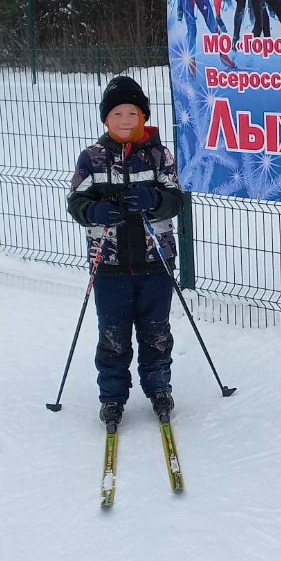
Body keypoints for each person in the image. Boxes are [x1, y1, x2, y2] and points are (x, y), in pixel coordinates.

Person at [67, 75, 184, 429]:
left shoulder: (159, 155)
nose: (126, 121)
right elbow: (76, 202)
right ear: (107, 119)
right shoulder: (92, 158)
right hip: (110, 263)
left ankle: (159, 387)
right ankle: (113, 396)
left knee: (156, 329)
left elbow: (176, 199)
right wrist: (94, 211)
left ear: (143, 116)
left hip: (155, 260)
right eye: (118, 114)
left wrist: (154, 200)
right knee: (113, 332)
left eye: (133, 113)